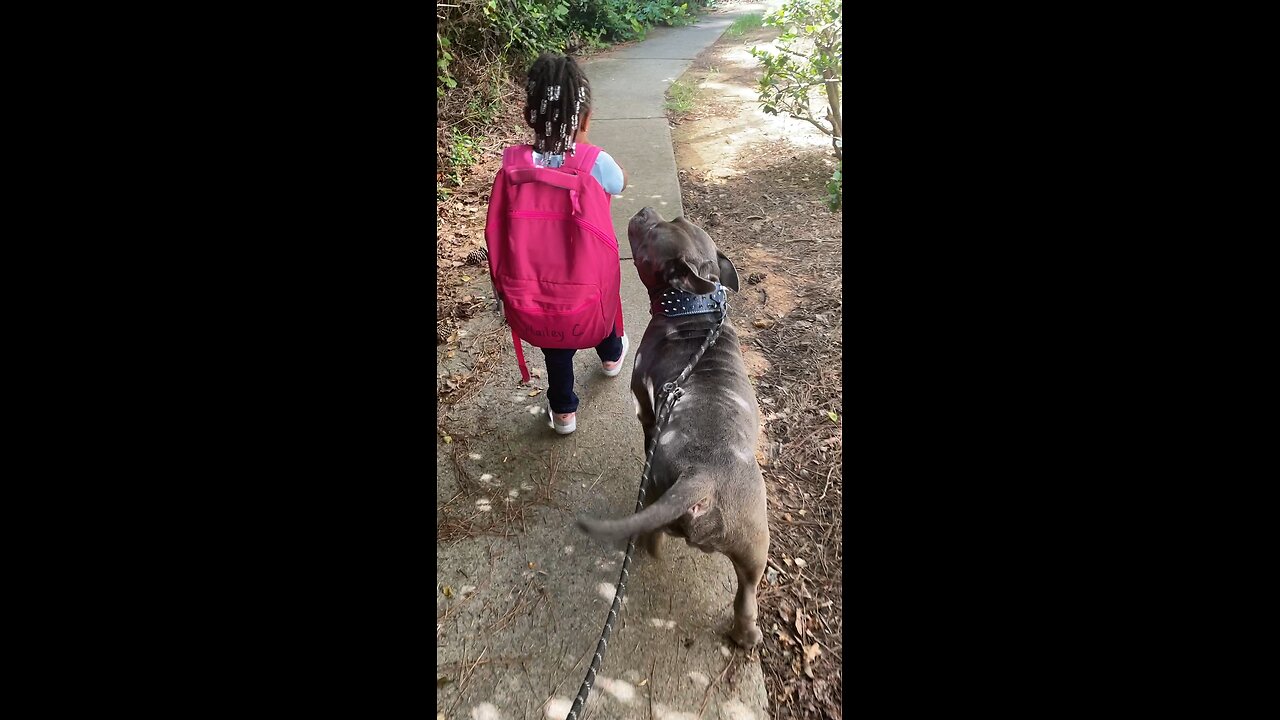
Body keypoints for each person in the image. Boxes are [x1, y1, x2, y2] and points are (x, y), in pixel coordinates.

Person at [520, 53, 629, 435]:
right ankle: (612, 358)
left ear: (530, 116)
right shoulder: (595, 160)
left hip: (538, 275)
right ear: (585, 119)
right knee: (597, 311)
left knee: (557, 341)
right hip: (585, 269)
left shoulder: (517, 165)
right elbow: (619, 184)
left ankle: (564, 412)